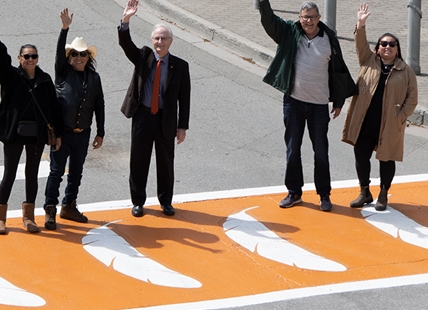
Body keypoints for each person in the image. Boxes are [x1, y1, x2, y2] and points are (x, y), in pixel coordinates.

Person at [259, 0, 357, 211]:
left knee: (321, 151)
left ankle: (324, 194)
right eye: (305, 17)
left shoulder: (329, 38)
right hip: (293, 103)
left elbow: (338, 71)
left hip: (319, 106)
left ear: (319, 18)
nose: (308, 21)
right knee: (293, 149)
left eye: (312, 17)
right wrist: (263, 2)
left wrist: (338, 101)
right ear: (299, 17)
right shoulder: (289, 33)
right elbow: (269, 21)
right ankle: (294, 193)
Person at [118, 0, 191, 217]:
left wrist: (182, 126)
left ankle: (165, 202)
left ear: (171, 41)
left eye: (164, 38)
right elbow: (125, 44)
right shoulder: (143, 56)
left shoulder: (180, 66)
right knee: (138, 160)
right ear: (152, 40)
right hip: (142, 116)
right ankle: (138, 201)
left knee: (166, 163)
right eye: (157, 38)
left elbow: (184, 98)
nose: (160, 42)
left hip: (165, 119)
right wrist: (126, 20)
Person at [342, 3, 418, 211]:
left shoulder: (406, 71)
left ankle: (383, 193)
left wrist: (401, 116)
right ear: (378, 48)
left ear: (397, 49)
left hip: (390, 122)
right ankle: (364, 191)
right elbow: (360, 44)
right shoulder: (369, 60)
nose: (387, 46)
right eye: (383, 43)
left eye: (392, 44)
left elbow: (413, 98)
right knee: (360, 154)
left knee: (387, 158)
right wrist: (360, 24)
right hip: (366, 119)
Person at [43, 8, 105, 230]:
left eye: (83, 54)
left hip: (83, 134)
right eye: (75, 54)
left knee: (76, 173)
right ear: (69, 58)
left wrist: (100, 132)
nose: (79, 57)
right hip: (63, 134)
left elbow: (99, 105)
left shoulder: (94, 78)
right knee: (57, 173)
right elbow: (59, 52)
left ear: (88, 57)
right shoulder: (63, 72)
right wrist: (64, 29)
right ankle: (50, 209)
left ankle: (69, 205)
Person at [0, 40, 62, 234]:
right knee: (9, 174)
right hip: (14, 134)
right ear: (19, 58)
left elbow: (54, 108)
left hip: (36, 135)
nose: (30, 59)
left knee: (31, 174)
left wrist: (57, 135)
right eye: (26, 56)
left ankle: (28, 217)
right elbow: (1, 60)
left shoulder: (44, 79)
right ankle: (0, 218)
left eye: (33, 56)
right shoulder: (10, 76)